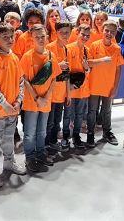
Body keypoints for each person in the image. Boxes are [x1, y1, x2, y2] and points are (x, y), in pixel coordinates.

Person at [0, 24, 26, 188]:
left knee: (9, 138)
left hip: (13, 109)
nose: (9, 40)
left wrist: (18, 100)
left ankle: (9, 161)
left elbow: (20, 81)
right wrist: (4, 104)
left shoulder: (14, 58)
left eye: (11, 37)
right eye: (5, 37)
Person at [20, 24, 61, 172]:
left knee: (42, 131)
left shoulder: (51, 55)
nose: (41, 39)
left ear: (47, 36)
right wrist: (38, 98)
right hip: (32, 102)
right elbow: (25, 80)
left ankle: (40, 153)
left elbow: (54, 79)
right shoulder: (27, 57)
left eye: (43, 36)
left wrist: (46, 97)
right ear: (32, 38)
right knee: (30, 132)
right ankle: (30, 157)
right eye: (37, 37)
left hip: (46, 102)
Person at [87, 19, 124, 147]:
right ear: (102, 31)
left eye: (112, 32)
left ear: (115, 33)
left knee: (107, 110)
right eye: (107, 30)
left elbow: (118, 69)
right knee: (92, 110)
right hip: (94, 84)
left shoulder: (117, 49)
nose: (109, 33)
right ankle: (90, 133)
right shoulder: (94, 45)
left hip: (108, 86)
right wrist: (102, 60)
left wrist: (115, 87)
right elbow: (88, 63)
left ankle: (107, 132)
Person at [62, 24, 92, 150]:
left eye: (87, 36)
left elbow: (88, 71)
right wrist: (69, 87)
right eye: (83, 34)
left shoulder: (87, 50)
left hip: (82, 88)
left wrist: (86, 67)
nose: (85, 37)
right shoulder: (68, 48)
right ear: (77, 33)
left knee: (80, 114)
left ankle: (76, 136)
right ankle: (65, 136)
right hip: (70, 88)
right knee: (68, 114)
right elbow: (65, 70)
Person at [45, 22, 72, 152]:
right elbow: (45, 70)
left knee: (57, 122)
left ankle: (54, 142)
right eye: (62, 32)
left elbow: (67, 74)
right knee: (49, 123)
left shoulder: (67, 49)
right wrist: (58, 65)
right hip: (51, 93)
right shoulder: (49, 48)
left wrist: (68, 93)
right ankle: (47, 144)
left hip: (61, 94)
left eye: (67, 32)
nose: (65, 35)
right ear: (56, 33)